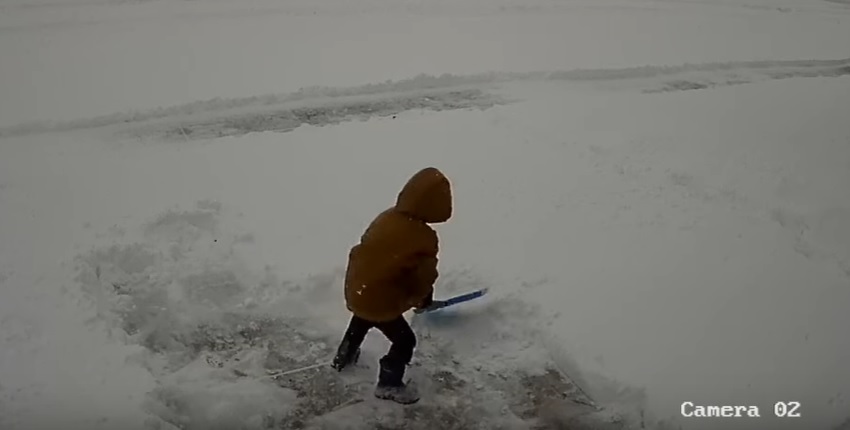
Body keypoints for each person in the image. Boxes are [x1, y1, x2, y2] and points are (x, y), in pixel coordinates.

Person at [330, 166, 452, 405]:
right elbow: (423, 277)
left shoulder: (387, 217)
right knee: (405, 341)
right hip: (380, 298)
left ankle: (343, 358)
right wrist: (422, 301)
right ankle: (389, 383)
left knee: (362, 318)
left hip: (358, 288)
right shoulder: (423, 237)